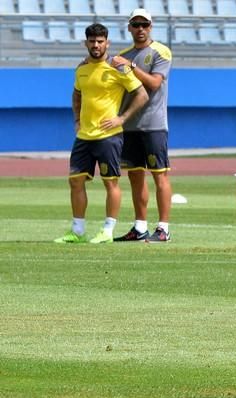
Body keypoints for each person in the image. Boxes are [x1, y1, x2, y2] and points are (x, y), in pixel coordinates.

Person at [54, 23, 148, 244]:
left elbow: (142, 95)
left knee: (111, 183)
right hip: (84, 136)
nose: (96, 45)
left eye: (100, 41)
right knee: (75, 181)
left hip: (109, 136)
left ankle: (107, 230)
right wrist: (77, 120)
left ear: (107, 43)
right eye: (92, 41)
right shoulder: (81, 68)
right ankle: (77, 231)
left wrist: (122, 118)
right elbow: (77, 95)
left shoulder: (118, 67)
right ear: (85, 43)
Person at [110, 8, 173, 243]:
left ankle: (164, 228)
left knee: (160, 176)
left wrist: (131, 67)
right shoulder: (123, 55)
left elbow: (155, 84)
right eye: (135, 25)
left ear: (151, 26)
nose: (140, 29)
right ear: (129, 28)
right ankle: (140, 227)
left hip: (154, 125)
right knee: (135, 176)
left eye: (144, 25)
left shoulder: (160, 52)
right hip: (130, 126)